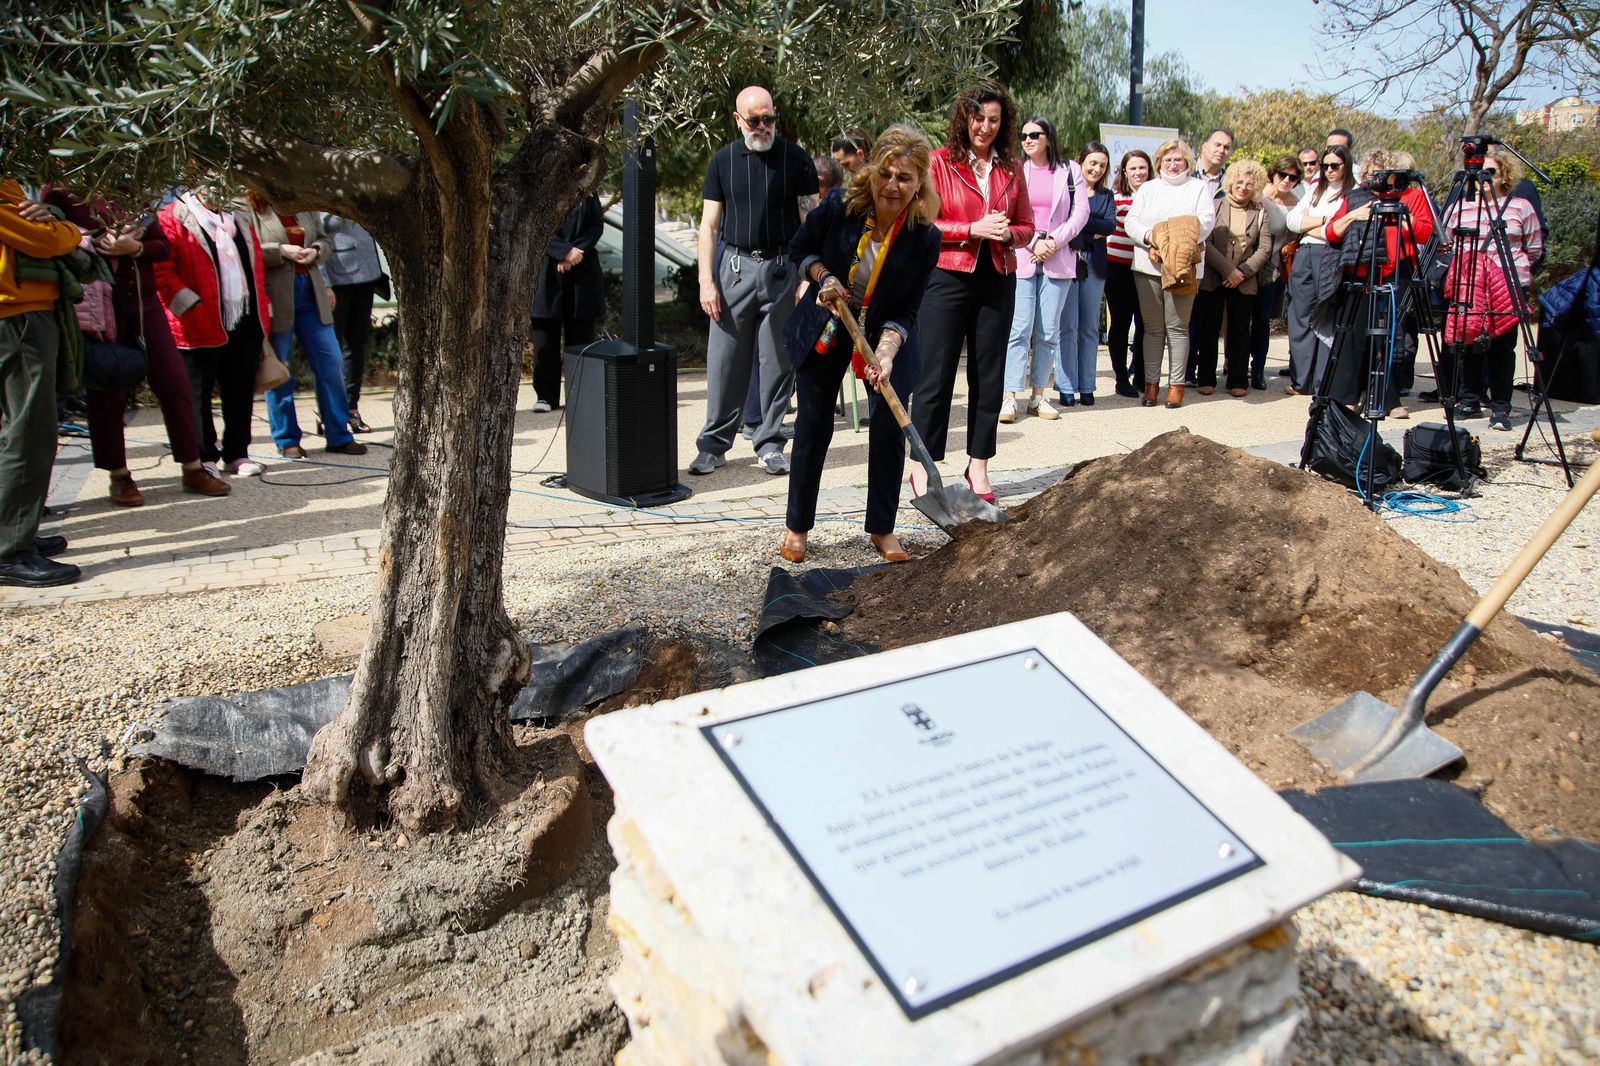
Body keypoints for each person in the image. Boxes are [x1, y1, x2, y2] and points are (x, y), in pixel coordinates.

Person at [779, 124, 942, 565]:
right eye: (886, 173)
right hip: (828, 323)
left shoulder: (926, 237)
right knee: (814, 424)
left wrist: (887, 350)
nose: (892, 185)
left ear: (919, 184)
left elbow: (908, 308)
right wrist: (824, 277)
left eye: (905, 178)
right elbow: (800, 250)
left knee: (889, 427)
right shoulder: (839, 206)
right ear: (872, 171)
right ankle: (798, 525)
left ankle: (883, 529)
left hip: (884, 332)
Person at [41, 188, 233, 503]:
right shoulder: (60, 193)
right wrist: (94, 244)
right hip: (99, 304)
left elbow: (162, 248)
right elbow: (57, 241)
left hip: (143, 302)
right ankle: (119, 476)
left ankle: (193, 467)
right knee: (108, 386)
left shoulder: (128, 186)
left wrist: (135, 247)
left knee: (174, 380)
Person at [911, 82, 1033, 503]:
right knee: (936, 373)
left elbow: (1027, 227)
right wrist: (971, 229)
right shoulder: (939, 163)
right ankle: (923, 466)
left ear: (1004, 123)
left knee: (989, 374)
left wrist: (1006, 233)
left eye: (994, 120)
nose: (985, 127)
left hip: (997, 273)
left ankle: (978, 464)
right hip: (947, 275)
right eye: (978, 118)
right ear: (964, 118)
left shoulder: (1013, 168)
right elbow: (923, 222)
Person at [690, 85, 817, 477]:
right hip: (734, 270)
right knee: (725, 361)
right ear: (737, 120)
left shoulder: (796, 160)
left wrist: (808, 278)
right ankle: (713, 444)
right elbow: (709, 227)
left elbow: (810, 222)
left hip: (783, 269)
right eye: (754, 120)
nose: (762, 127)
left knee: (778, 361)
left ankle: (770, 442)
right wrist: (704, 281)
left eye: (768, 119)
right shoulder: (722, 162)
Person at [154, 186, 272, 478]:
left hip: (243, 315)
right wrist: (187, 303)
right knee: (198, 391)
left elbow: (254, 264)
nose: (220, 184)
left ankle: (237, 453)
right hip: (195, 318)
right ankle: (203, 455)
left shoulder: (239, 216)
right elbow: (161, 269)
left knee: (240, 388)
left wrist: (263, 306)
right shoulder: (173, 216)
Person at [0, 178, 83, 588]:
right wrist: (61, 227)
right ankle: (10, 551)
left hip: (21, 312)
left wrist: (54, 220)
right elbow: (48, 240)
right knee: (29, 431)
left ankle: (16, 531)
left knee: (16, 430)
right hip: (15, 315)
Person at [1322, 149, 1435, 417]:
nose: (1377, 179)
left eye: (1382, 174)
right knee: (1353, 336)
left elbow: (1426, 231)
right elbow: (1331, 233)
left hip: (1398, 273)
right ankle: (1347, 396)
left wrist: (1398, 214)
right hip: (1360, 273)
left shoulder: (1412, 196)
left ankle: (1388, 398)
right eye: (1372, 174)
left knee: (1391, 338)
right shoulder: (1355, 197)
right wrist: (1354, 215)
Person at [251, 200, 367, 458]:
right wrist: (281, 251)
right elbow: (246, 249)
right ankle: (287, 439)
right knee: (280, 369)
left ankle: (338, 434)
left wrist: (315, 250)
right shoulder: (247, 205)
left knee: (331, 362)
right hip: (277, 294)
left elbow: (325, 240)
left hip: (311, 292)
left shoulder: (301, 203)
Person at [1440, 154, 1541, 431]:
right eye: (1479, 173)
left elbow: (1533, 248)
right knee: (1468, 341)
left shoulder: (1520, 207)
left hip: (1507, 283)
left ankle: (1500, 407)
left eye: (1491, 172)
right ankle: (1470, 399)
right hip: (1470, 283)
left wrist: (1507, 270)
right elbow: (1445, 242)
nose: (1483, 178)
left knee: (1502, 347)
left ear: (1503, 175)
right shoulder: (1460, 208)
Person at [1000, 116, 1086, 423]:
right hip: (1023, 255)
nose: (1027, 140)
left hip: (1058, 258)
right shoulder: (1015, 169)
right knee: (1019, 329)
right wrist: (1034, 241)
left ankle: (1038, 395)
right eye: (1023, 135)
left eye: (1034, 134)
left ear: (1048, 137)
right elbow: (1007, 212)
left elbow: (1080, 214)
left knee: (1049, 332)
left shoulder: (1070, 171)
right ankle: (1010, 395)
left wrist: (1054, 241)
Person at [1123, 138, 1214, 409]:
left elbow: (1206, 221)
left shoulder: (1197, 188)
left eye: (1178, 160)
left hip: (1184, 268)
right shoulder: (1148, 189)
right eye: (1167, 160)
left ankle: (1176, 385)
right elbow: (1131, 221)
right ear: (1159, 162)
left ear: (1187, 161)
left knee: (1177, 328)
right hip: (1148, 266)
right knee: (1152, 329)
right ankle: (1151, 384)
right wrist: (1152, 237)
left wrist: (1179, 241)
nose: (1173, 165)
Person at [1191, 160, 1273, 397]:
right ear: (1230, 182)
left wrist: (1241, 273)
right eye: (1239, 182)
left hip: (1245, 279)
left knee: (1239, 330)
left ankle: (1238, 378)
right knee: (1209, 328)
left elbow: (1264, 248)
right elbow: (1204, 241)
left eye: (1249, 183)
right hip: (1213, 276)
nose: (1244, 187)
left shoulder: (1260, 212)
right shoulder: (1214, 206)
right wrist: (1228, 270)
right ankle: (1205, 377)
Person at [1283, 144, 1354, 394]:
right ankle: (1301, 380)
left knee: (1325, 316)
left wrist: (1312, 225)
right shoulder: (1315, 188)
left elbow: (1338, 231)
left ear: (1346, 165)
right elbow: (1292, 221)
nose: (1329, 171)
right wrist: (1324, 221)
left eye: (1335, 166)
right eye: (1325, 166)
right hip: (1305, 253)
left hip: (1331, 255)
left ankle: (1323, 381)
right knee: (1299, 315)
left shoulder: (1353, 192)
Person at [530, 194, 604, 413]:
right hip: (547, 271)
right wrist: (562, 252)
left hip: (582, 269)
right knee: (545, 338)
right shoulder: (544, 188)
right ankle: (545, 395)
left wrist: (576, 251)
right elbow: (536, 224)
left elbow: (596, 224)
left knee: (581, 338)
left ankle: (579, 393)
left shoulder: (588, 192)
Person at [1061, 141, 1118, 406]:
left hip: (1094, 264)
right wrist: (1089, 228)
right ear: (1081, 161)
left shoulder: (1106, 196)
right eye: (1092, 163)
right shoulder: (1068, 189)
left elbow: (1109, 225)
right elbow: (1063, 221)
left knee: (1089, 328)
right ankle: (1065, 386)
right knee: (1068, 326)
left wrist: (1081, 223)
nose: (1096, 169)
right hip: (1068, 260)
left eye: (1102, 165)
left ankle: (1086, 385)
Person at [322, 214, 384, 432]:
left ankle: (351, 407)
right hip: (337, 277)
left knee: (356, 345)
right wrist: (324, 283)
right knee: (332, 348)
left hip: (366, 274)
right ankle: (329, 412)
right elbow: (315, 236)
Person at [1252, 154, 1302, 391]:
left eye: (1293, 177)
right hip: (1246, 263)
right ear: (1273, 174)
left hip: (1272, 268)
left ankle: (1258, 369)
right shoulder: (1258, 195)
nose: (1286, 180)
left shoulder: (1298, 202)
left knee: (1262, 320)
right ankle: (1234, 365)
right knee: (1238, 319)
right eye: (1283, 174)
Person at [1105, 149, 1150, 399]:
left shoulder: (1156, 195)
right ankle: (1121, 378)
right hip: (1118, 266)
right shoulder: (1114, 196)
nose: (1138, 172)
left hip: (1147, 267)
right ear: (1124, 171)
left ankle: (1142, 374)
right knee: (1120, 323)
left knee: (1146, 324)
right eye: (1132, 168)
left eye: (1142, 168)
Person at [1193, 128, 1234, 200]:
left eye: (1226, 147)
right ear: (1204, 146)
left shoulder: (1230, 182)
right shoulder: (1186, 172)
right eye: (1217, 145)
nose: (1221, 150)